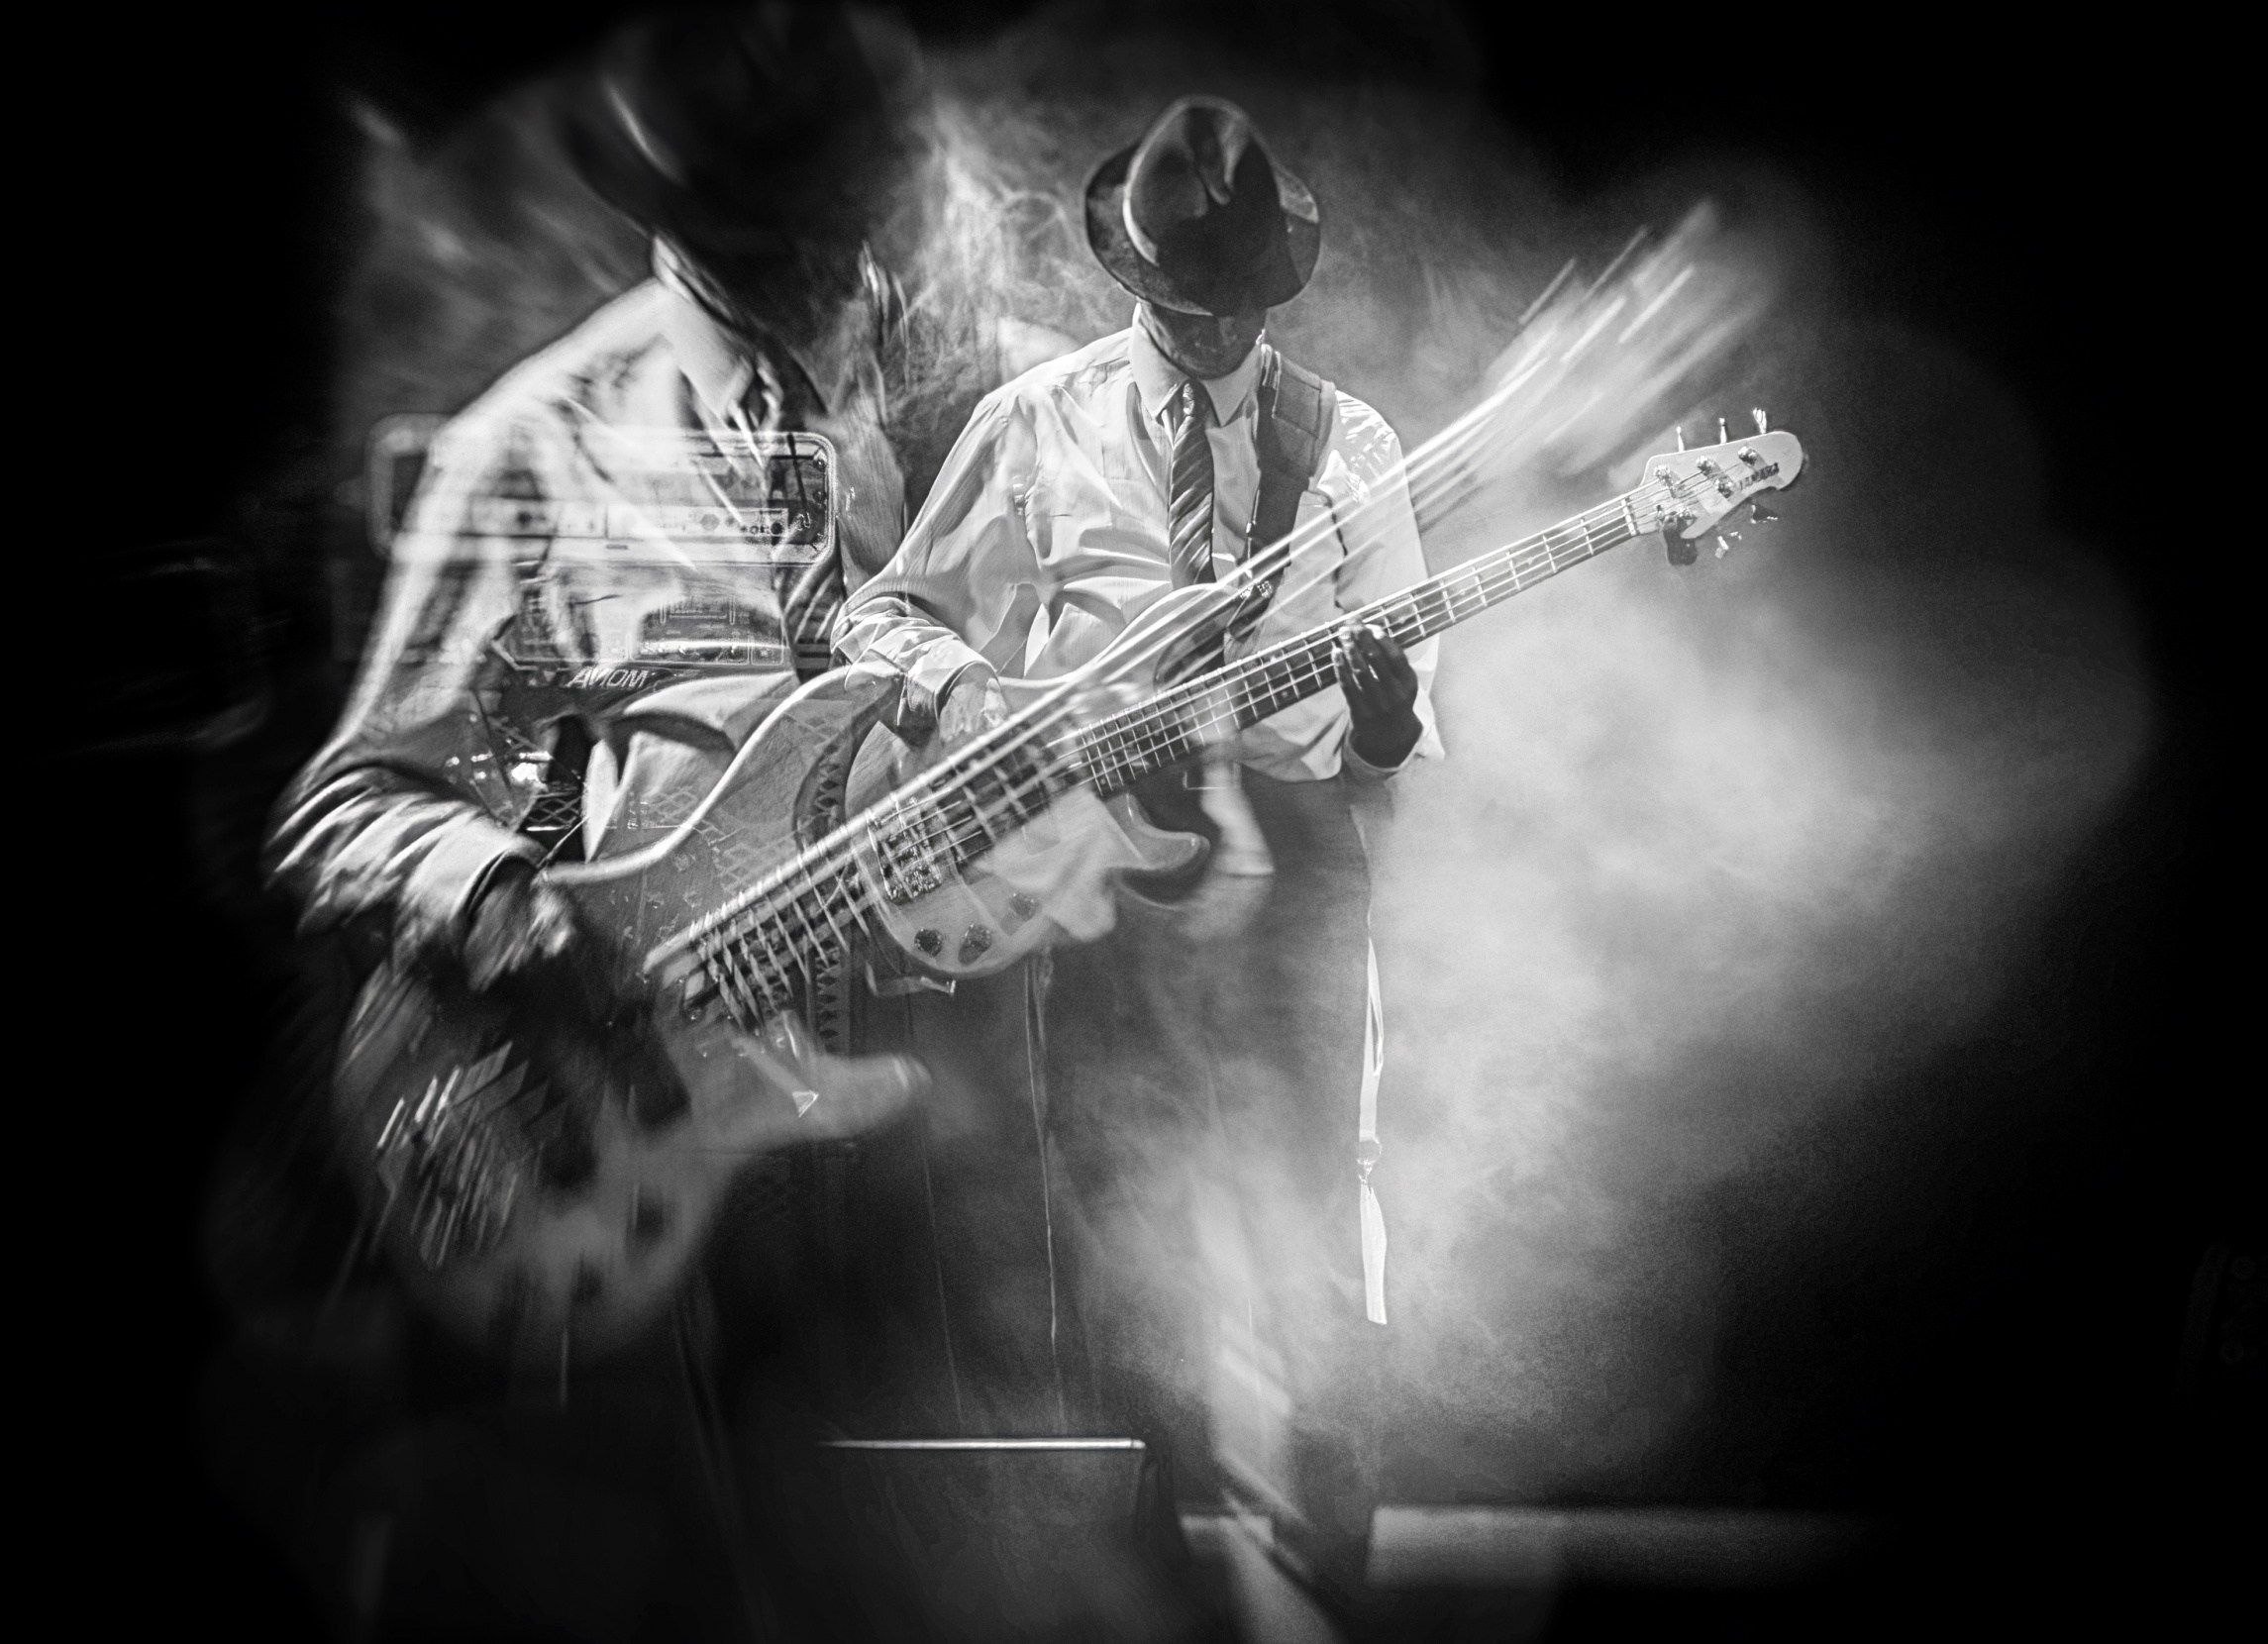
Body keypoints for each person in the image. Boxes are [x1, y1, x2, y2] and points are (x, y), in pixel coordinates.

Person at [241, 8, 939, 1633]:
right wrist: (505, 910)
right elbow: (344, 803)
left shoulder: (924, 415)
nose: (831, 268)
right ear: (685, 222)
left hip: (891, 1120)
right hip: (638, 1115)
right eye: (780, 233)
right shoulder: (533, 448)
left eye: (847, 220)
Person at [832, 93, 1442, 1587]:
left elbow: (1402, 743)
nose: (1208, 328)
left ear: (1271, 287)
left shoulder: (1351, 446)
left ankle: (1331, 1502)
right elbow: (882, 613)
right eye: (1182, 299)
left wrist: (1379, 719)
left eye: (1233, 302)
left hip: (1293, 841)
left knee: (1317, 1174)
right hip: (1098, 846)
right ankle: (1143, 1512)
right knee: (1108, 1181)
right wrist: (973, 694)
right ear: (1132, 274)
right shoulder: (1037, 423)